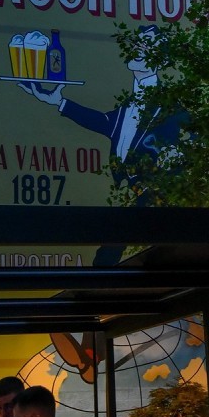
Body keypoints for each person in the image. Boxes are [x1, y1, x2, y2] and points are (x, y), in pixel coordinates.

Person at [21, 25, 185, 265]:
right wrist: (59, 102)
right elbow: (103, 121)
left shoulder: (171, 107)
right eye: (138, 42)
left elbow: (192, 142)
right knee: (108, 261)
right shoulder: (127, 107)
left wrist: (173, 159)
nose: (139, 47)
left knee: (132, 259)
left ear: (162, 59)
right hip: (130, 202)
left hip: (155, 204)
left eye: (148, 44)